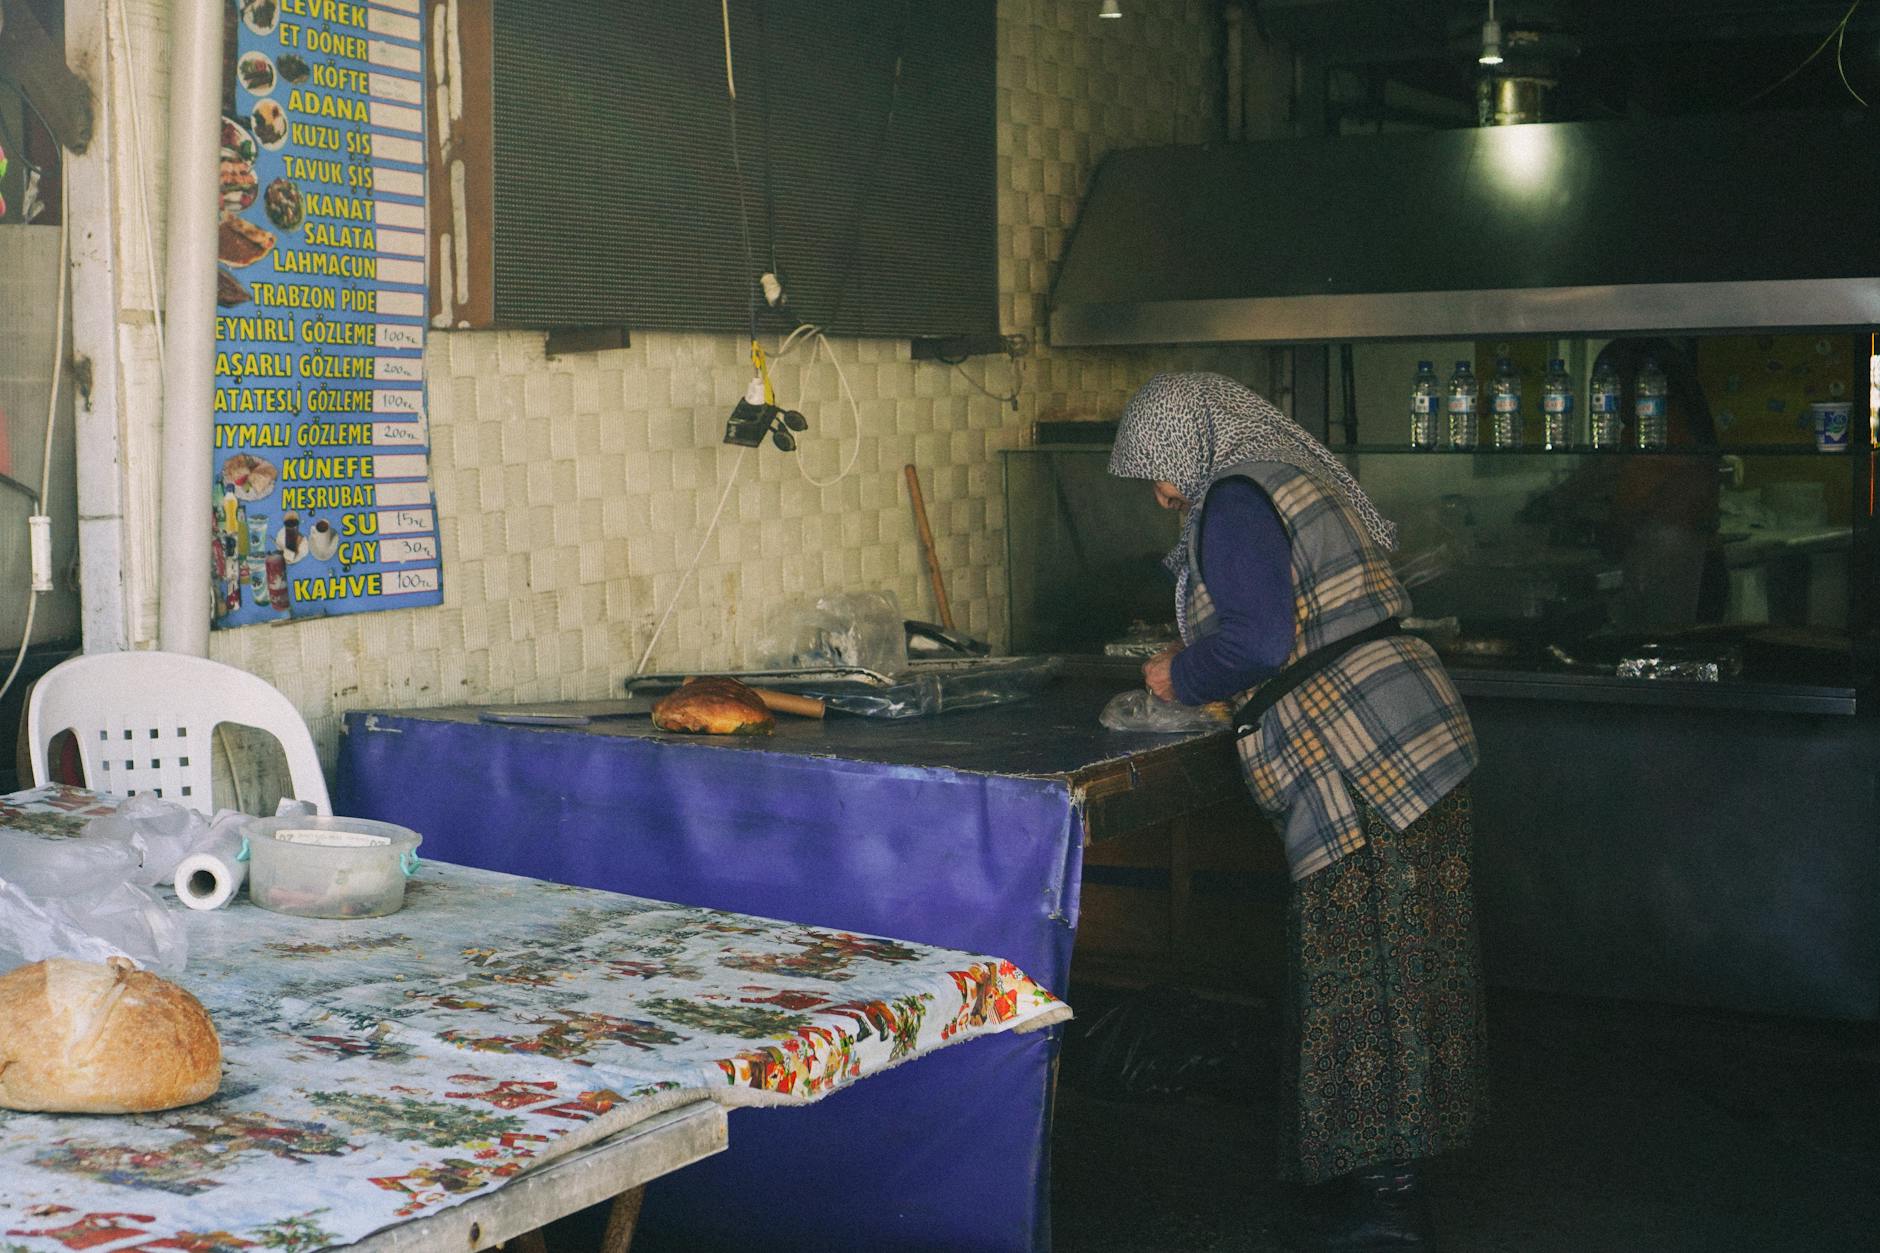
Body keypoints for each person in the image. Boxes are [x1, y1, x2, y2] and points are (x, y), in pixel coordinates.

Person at [1109, 372, 1486, 1252]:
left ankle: (1386, 1213)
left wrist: (1179, 673)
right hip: (1408, 741)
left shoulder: (1234, 498)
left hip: (1368, 759)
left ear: (1193, 447)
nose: (1162, 493)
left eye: (1161, 471)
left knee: (1365, 970)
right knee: (1402, 970)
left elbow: (1256, 639)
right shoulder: (1280, 474)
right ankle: (1371, 1185)